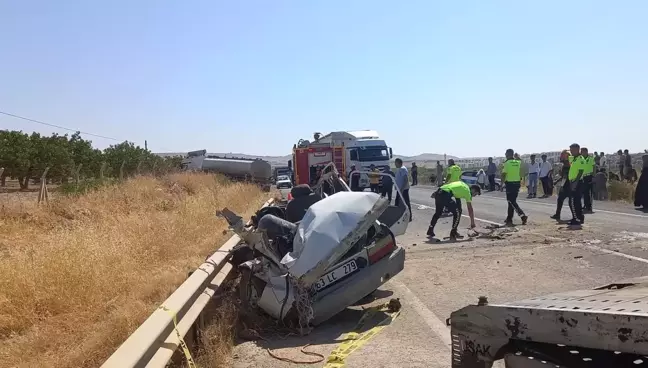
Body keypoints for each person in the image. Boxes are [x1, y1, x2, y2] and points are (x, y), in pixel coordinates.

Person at [502, 149, 528, 226]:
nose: (505, 155)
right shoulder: (518, 162)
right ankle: (509, 218)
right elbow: (523, 171)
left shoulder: (506, 163)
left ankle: (522, 215)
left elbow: (504, 174)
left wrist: (501, 184)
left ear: (508, 154)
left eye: (506, 154)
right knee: (511, 201)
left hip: (509, 184)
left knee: (511, 201)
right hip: (517, 183)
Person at [567, 143, 586, 226]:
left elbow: (581, 171)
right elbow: (566, 157)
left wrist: (575, 182)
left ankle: (577, 218)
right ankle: (579, 217)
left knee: (574, 201)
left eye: (572, 150)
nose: (571, 151)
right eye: (570, 150)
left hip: (577, 182)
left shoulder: (580, 159)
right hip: (573, 181)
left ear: (577, 149)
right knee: (575, 201)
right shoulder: (574, 158)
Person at [550, 150, 572, 221]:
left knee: (570, 202)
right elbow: (563, 176)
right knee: (561, 200)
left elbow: (565, 177)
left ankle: (576, 217)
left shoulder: (567, 165)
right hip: (568, 184)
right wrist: (557, 180)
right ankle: (558, 214)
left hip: (568, 185)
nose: (560, 158)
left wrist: (561, 184)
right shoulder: (566, 165)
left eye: (562, 156)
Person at [581, 147, 595, 213]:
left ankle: (589, 207)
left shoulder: (590, 159)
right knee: (584, 192)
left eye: (583, 151)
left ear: (586, 152)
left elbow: (594, 167)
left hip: (589, 176)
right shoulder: (581, 159)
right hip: (583, 176)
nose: (582, 153)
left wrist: (594, 176)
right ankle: (586, 205)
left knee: (589, 192)